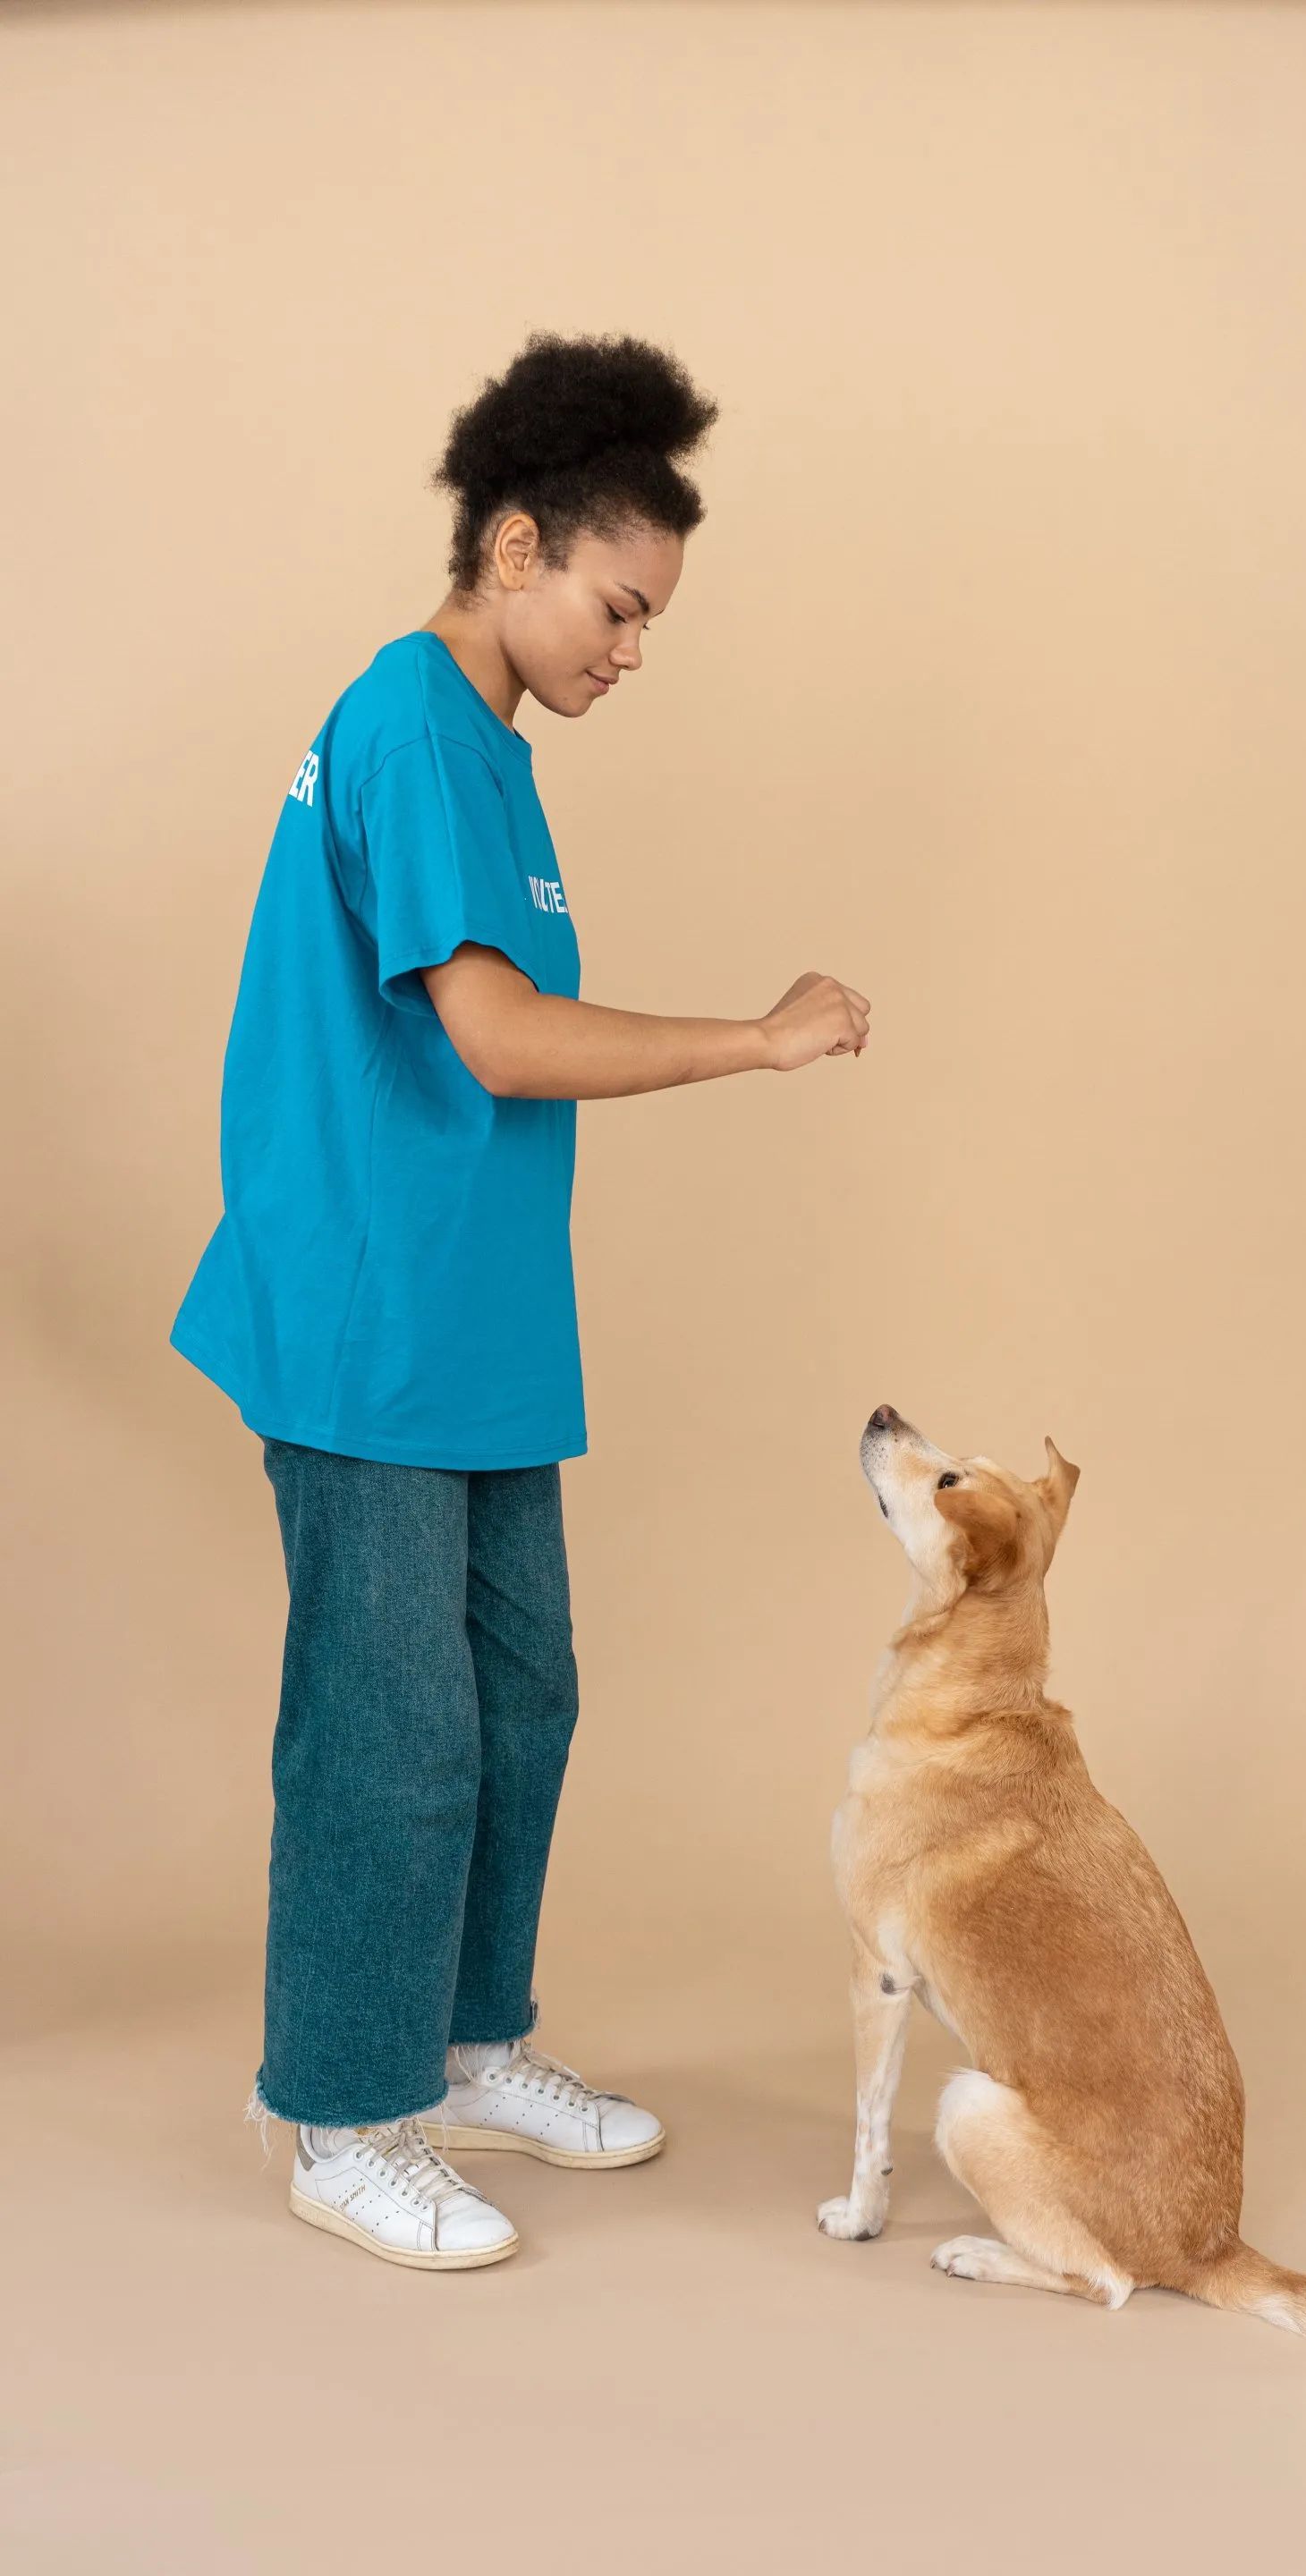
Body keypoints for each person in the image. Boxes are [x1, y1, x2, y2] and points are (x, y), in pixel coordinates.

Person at [170, 332, 871, 2271]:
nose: (631, 651)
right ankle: (335, 2107)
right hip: (368, 1314)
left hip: (472, 1318)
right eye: (617, 606)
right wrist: (759, 1036)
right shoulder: (408, 721)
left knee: (518, 1699)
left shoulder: (485, 750)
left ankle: (464, 2046)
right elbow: (494, 1038)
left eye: (652, 624)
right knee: (394, 1726)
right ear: (511, 546)